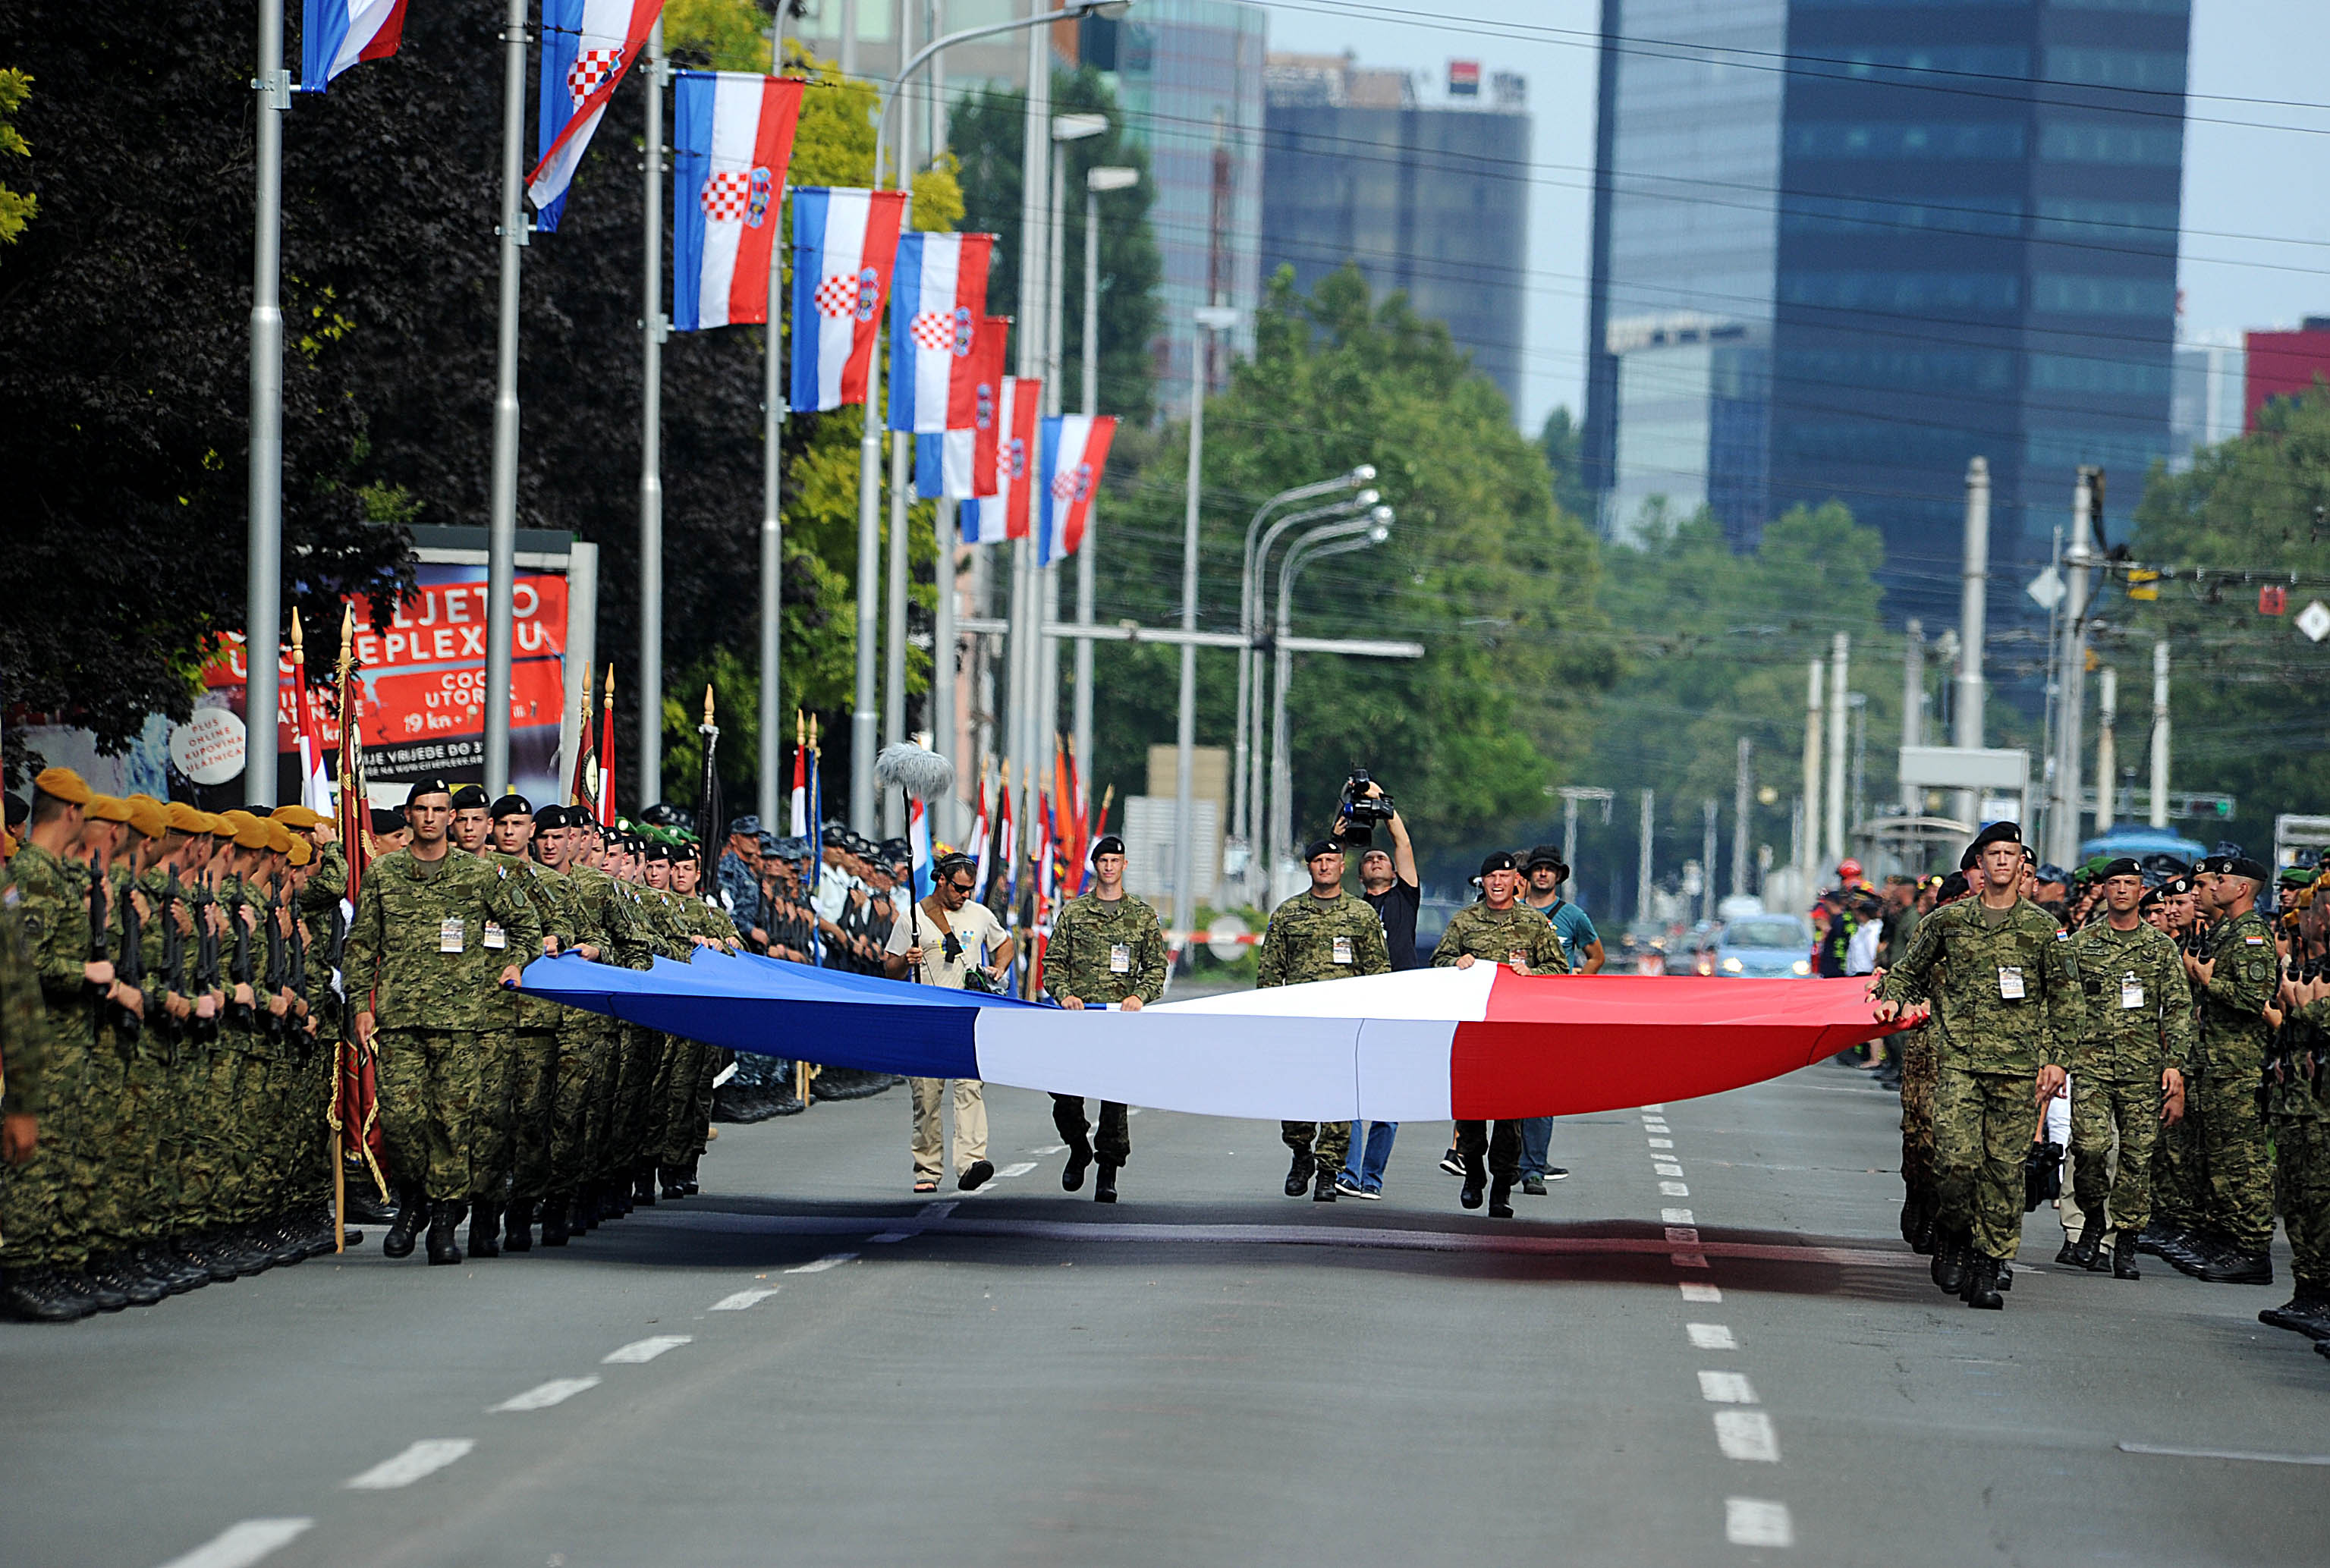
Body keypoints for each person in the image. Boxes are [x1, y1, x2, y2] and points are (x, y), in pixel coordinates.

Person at [1873, 822, 2077, 1310]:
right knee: (1955, 1164)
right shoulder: (1948, 922)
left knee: (2005, 1172)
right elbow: (1909, 970)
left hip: (2016, 1068)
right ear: (1980, 865)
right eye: (1994, 854)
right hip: (1958, 1063)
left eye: (2011, 854)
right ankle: (1952, 1233)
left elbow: (2066, 999)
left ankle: (1988, 1264)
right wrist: (1891, 997)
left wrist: (2057, 1061)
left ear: (2020, 863)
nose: (2003, 862)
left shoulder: (2043, 929)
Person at [343, 779, 542, 1267]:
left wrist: (514, 964)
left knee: (454, 1125)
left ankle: (446, 1222)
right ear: (408, 816)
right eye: (421, 809)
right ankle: (414, 1198)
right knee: (403, 1123)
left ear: (451, 817)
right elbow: (362, 944)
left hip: (463, 1022)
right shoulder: (385, 873)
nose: (430, 817)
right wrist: (360, 1005)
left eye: (439, 810)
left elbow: (526, 926)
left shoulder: (477, 875)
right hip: (400, 1020)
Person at [2058, 858, 2191, 1278]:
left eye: (2130, 884)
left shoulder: (2159, 948)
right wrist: (2057, 1059)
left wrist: (2176, 1065)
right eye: (2114, 883)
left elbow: (2179, 1008)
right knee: (2091, 1149)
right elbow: (2061, 1004)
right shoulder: (2082, 944)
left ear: (2141, 890)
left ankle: (2126, 1243)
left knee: (2136, 1157)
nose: (2121, 891)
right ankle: (2094, 1213)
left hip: (2142, 1070)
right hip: (2092, 1065)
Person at [1432, 851, 1569, 1218]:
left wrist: (1532, 973)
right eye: (1491, 877)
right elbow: (1437, 963)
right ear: (1483, 882)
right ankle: (1473, 1175)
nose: (1497, 883)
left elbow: (1559, 968)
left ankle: (1502, 1189)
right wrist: (1455, 963)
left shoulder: (1533, 923)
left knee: (1511, 1120)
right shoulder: (1464, 921)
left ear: (1515, 882)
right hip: (1474, 1035)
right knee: (1472, 1114)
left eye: (1504, 877)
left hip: (1515, 1037)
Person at [1256, 839, 1389, 1202]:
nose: (1325, 867)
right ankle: (1301, 1155)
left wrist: (1372, 1019)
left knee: (1338, 1100)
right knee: (1296, 1096)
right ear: (1309, 867)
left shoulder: (1361, 916)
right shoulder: (1289, 914)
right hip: (1299, 1024)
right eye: (1318, 861)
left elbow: (1378, 971)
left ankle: (1329, 1171)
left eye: (1332, 860)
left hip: (1344, 1025)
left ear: (1342, 867)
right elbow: (1270, 973)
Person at [1042, 835, 1167, 1202]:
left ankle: (1108, 1170)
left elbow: (1156, 968)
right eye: (1103, 861)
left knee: (1113, 1100)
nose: (1109, 867)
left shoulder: (1141, 916)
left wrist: (1138, 996)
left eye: (1115, 861)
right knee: (1065, 1096)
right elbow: (1053, 963)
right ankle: (1078, 1147)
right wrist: (1064, 994)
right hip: (1078, 1021)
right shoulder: (1075, 913)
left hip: (1119, 1022)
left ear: (1124, 866)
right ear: (1095, 866)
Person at [886, 851, 1013, 1194]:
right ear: (941, 880)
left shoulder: (980, 914)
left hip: (967, 1016)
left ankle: (972, 1161)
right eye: (959, 889)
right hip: (925, 1015)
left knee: (970, 1087)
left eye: (970, 889)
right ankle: (927, 1169)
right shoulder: (914, 917)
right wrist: (905, 960)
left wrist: (999, 968)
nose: (965, 896)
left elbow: (1005, 943)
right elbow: (890, 968)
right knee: (926, 1097)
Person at [2179, 853, 2279, 1284]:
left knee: (2243, 1159)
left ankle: (2254, 1248)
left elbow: (2255, 1000)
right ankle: (2231, 1239)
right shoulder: (2227, 931)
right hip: (2216, 1063)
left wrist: (2205, 980)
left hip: (2239, 1065)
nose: (2213, 886)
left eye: (2221, 880)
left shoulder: (2252, 935)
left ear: (2242, 889)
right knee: (2219, 1157)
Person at [1514, 844, 1602, 1191]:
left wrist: (1580, 984)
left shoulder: (1573, 916)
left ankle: (1533, 1166)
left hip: (1551, 1013)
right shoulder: (1512, 914)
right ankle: (1505, 1160)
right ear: (1529, 875)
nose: (1544, 874)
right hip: (1513, 1012)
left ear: (1558, 876)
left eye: (1550, 869)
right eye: (1538, 869)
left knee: (1541, 1092)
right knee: (1510, 1088)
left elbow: (1595, 956)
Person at [1346, 782, 1420, 1199]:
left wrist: (1382, 805)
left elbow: (1402, 843)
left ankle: (1371, 1178)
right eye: (1369, 858)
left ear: (1393, 872)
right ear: (1360, 874)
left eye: (1382, 858)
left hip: (1400, 1004)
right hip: (1358, 1003)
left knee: (1388, 1096)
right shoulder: (1352, 908)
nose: (1377, 859)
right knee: (1352, 1091)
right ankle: (1349, 1174)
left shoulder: (1405, 899)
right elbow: (1328, 859)